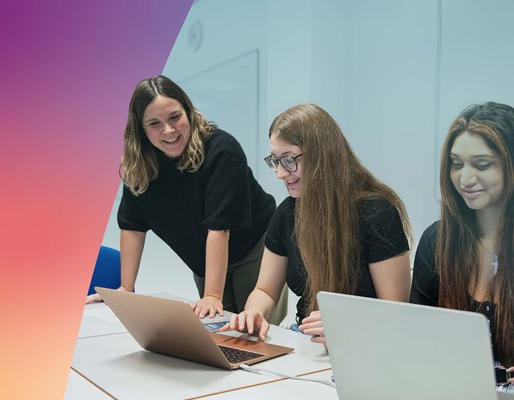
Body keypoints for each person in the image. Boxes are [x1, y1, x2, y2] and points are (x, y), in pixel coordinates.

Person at [86, 75, 277, 320]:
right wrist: (126, 289)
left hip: (254, 247)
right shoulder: (139, 168)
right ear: (141, 129)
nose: (168, 130)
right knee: (215, 330)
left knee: (249, 328)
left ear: (188, 111)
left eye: (175, 117)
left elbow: (220, 229)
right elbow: (132, 226)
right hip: (204, 259)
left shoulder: (221, 150)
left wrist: (212, 295)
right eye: (154, 123)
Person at [221, 103, 412, 343]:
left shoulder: (377, 213)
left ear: (322, 154)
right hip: (307, 346)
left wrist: (346, 323)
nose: (281, 173)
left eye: (289, 160)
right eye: (275, 161)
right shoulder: (287, 213)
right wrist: (254, 313)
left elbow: (396, 312)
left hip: (364, 347)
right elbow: (265, 291)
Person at [410, 101, 514, 389]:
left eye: (482, 165)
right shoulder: (437, 240)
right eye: (457, 164)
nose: (465, 179)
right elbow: (415, 334)